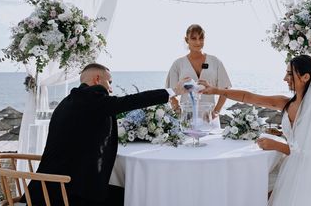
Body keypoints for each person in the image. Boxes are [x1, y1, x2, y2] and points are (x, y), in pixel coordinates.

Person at [200, 55, 311, 205]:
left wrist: (276, 145)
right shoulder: (286, 103)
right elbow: (249, 97)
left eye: (290, 74)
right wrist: (216, 90)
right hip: (293, 167)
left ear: (305, 77)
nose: (285, 78)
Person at [26, 63, 190, 206]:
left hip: (48, 188)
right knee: (137, 197)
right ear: (97, 79)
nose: (111, 88)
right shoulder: (91, 97)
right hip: (66, 194)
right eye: (109, 82)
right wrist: (173, 91)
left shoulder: (69, 101)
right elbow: (130, 101)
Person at [165, 24, 231, 125]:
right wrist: (177, 110)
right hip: (186, 120)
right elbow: (170, 92)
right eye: (194, 38)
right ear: (187, 40)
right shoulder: (178, 64)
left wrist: (216, 112)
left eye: (201, 38)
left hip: (210, 118)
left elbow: (225, 90)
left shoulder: (215, 61)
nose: (198, 42)